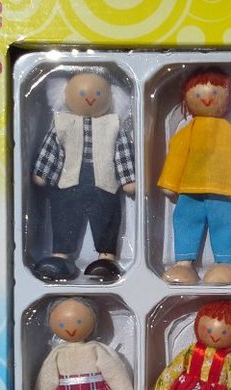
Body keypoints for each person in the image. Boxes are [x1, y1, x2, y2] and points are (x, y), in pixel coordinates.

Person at [32, 71, 136, 282]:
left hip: (104, 181)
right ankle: (60, 255)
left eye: (98, 93)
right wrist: (42, 172)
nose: (90, 98)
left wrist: (127, 179)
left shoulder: (113, 125)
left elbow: (122, 153)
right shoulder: (62, 123)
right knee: (64, 216)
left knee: (106, 217)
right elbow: (51, 149)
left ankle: (106, 258)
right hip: (68, 181)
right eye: (81, 93)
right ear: (64, 93)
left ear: (112, 96)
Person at [158, 68, 231, 285]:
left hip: (224, 191)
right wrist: (170, 182)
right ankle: (183, 264)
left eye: (215, 93)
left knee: (225, 224)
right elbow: (176, 155)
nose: (206, 98)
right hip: (190, 190)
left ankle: (225, 263)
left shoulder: (228, 132)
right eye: (197, 94)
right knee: (185, 220)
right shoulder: (188, 131)